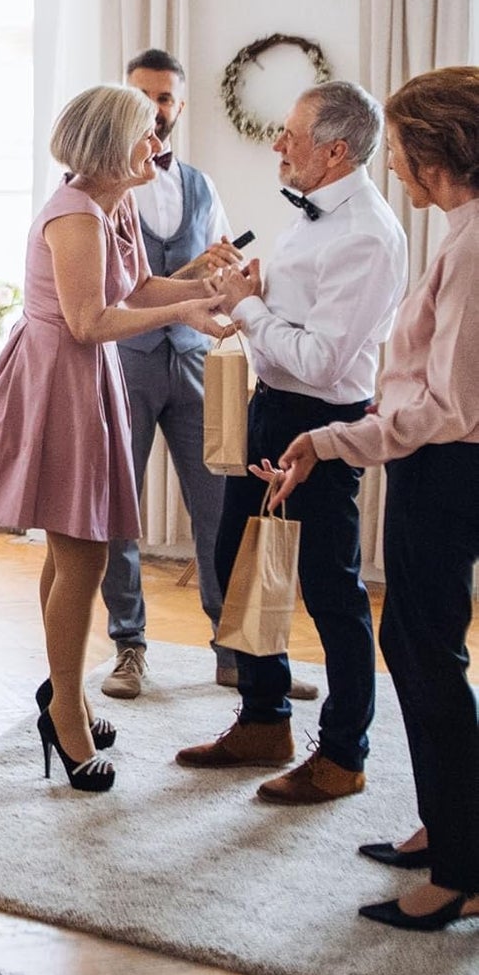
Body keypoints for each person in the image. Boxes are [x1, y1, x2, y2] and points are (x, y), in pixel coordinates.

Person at [0, 85, 231, 793]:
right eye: (146, 136)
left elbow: (137, 290)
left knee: (71, 550)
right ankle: (66, 721)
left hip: (87, 378)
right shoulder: (74, 214)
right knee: (82, 555)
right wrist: (190, 305)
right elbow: (87, 321)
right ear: (113, 144)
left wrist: (198, 299)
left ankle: (66, 697)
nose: (157, 147)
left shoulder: (115, 206)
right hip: (58, 379)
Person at [261, 67, 479, 930]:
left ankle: (459, 869)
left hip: (445, 469)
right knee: (421, 647)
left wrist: (330, 438)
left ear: (434, 152)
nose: (389, 162)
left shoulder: (468, 245)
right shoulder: (458, 231)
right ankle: (451, 826)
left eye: (397, 145)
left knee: (425, 656)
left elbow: (447, 406)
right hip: (433, 464)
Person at [177, 81, 407, 805]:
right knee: (240, 563)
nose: (277, 144)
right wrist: (246, 289)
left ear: (333, 150)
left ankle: (343, 751)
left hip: (322, 424)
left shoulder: (368, 235)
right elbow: (292, 322)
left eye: (290, 134)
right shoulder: (308, 218)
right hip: (269, 409)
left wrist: (247, 306)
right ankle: (263, 718)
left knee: (328, 589)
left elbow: (321, 361)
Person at [97, 51, 316, 701]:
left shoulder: (200, 185)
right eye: (141, 94)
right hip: (125, 361)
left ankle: (234, 648)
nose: (154, 107)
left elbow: (218, 282)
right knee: (119, 509)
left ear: (179, 106)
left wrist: (227, 277)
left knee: (222, 506)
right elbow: (114, 289)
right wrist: (192, 272)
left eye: (163, 97)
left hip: (196, 361)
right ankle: (128, 644)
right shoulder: (102, 184)